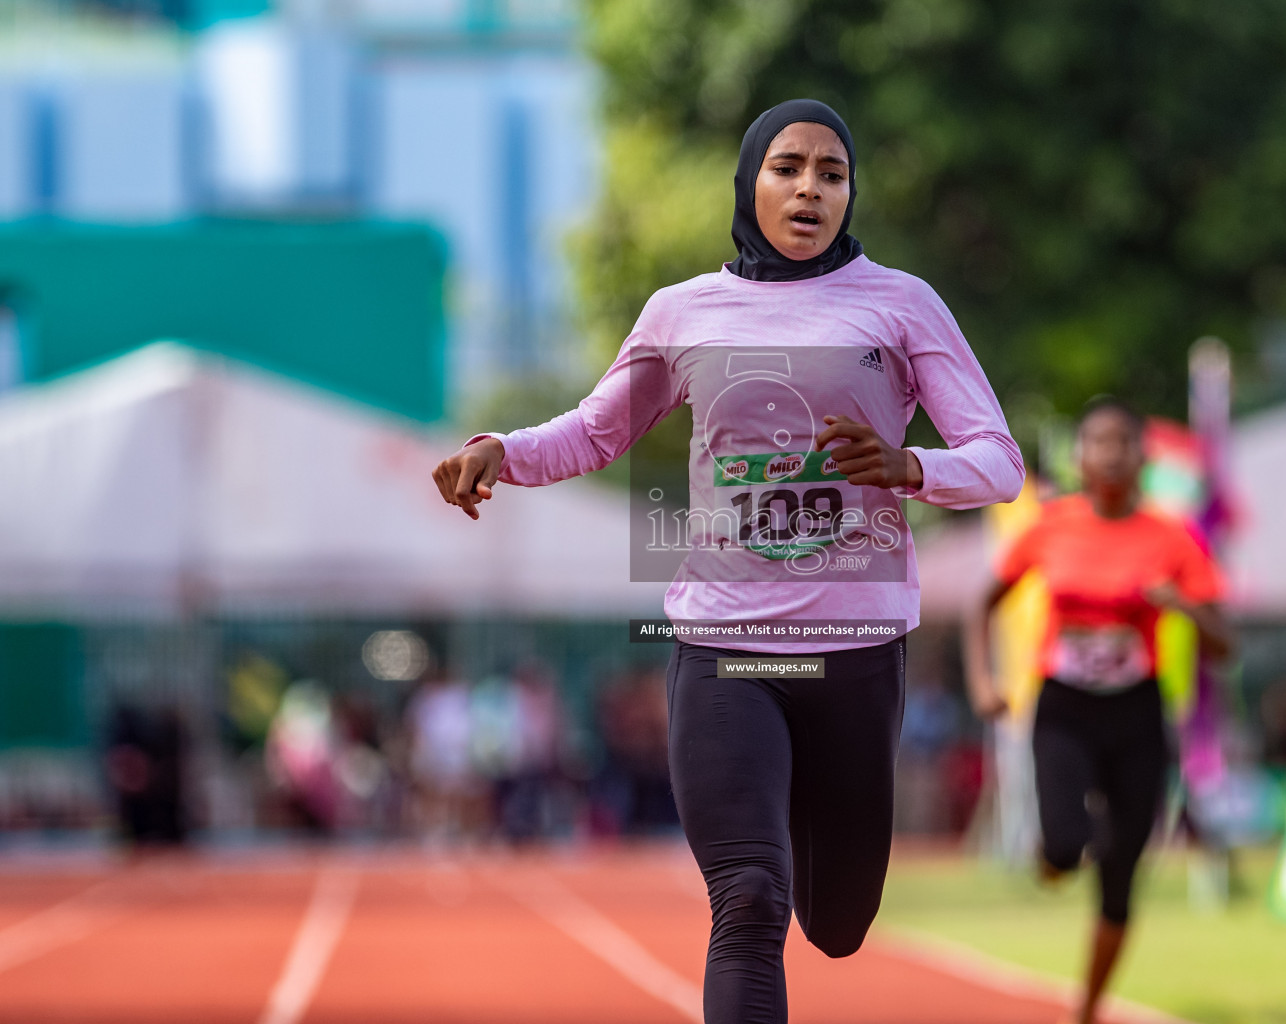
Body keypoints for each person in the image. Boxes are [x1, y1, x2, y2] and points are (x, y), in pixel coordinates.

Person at [433, 98, 1023, 1024]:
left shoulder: (900, 303)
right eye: (789, 167)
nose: (810, 189)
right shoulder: (683, 312)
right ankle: (758, 828)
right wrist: (501, 449)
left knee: (837, 923)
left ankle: (796, 815)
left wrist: (910, 465)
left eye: (833, 175)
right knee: (748, 899)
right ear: (750, 180)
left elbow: (999, 460)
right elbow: (595, 433)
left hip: (856, 651)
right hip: (724, 649)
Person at [965, 397, 1232, 1024]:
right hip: (1064, 706)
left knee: (1122, 870)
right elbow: (985, 603)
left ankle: (1086, 1008)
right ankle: (1053, 857)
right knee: (1067, 843)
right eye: (1097, 441)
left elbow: (1225, 645)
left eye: (1122, 441)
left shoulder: (1173, 537)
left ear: (1143, 456)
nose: (1110, 452)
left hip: (1138, 713)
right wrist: (983, 683)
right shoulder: (1051, 524)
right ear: (1079, 456)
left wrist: (1181, 605)